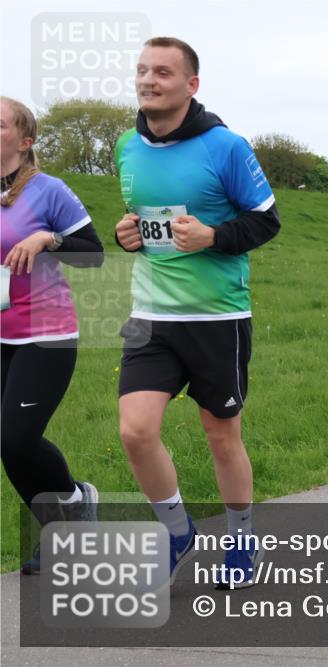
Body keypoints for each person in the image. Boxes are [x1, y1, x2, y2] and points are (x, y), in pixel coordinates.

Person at [113, 37, 280, 587]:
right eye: (142, 71)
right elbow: (144, 222)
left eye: (162, 72)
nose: (148, 80)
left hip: (217, 318)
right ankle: (178, 531)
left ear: (192, 84)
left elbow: (265, 220)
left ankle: (242, 539)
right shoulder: (125, 149)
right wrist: (129, 236)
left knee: (221, 435)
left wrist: (212, 236)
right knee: (136, 432)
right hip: (151, 316)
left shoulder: (225, 147)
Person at [0, 96, 104, 574]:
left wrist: (49, 239)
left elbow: (92, 253)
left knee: (17, 438)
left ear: (24, 141)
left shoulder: (48, 191)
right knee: (6, 442)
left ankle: (76, 500)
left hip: (45, 333)